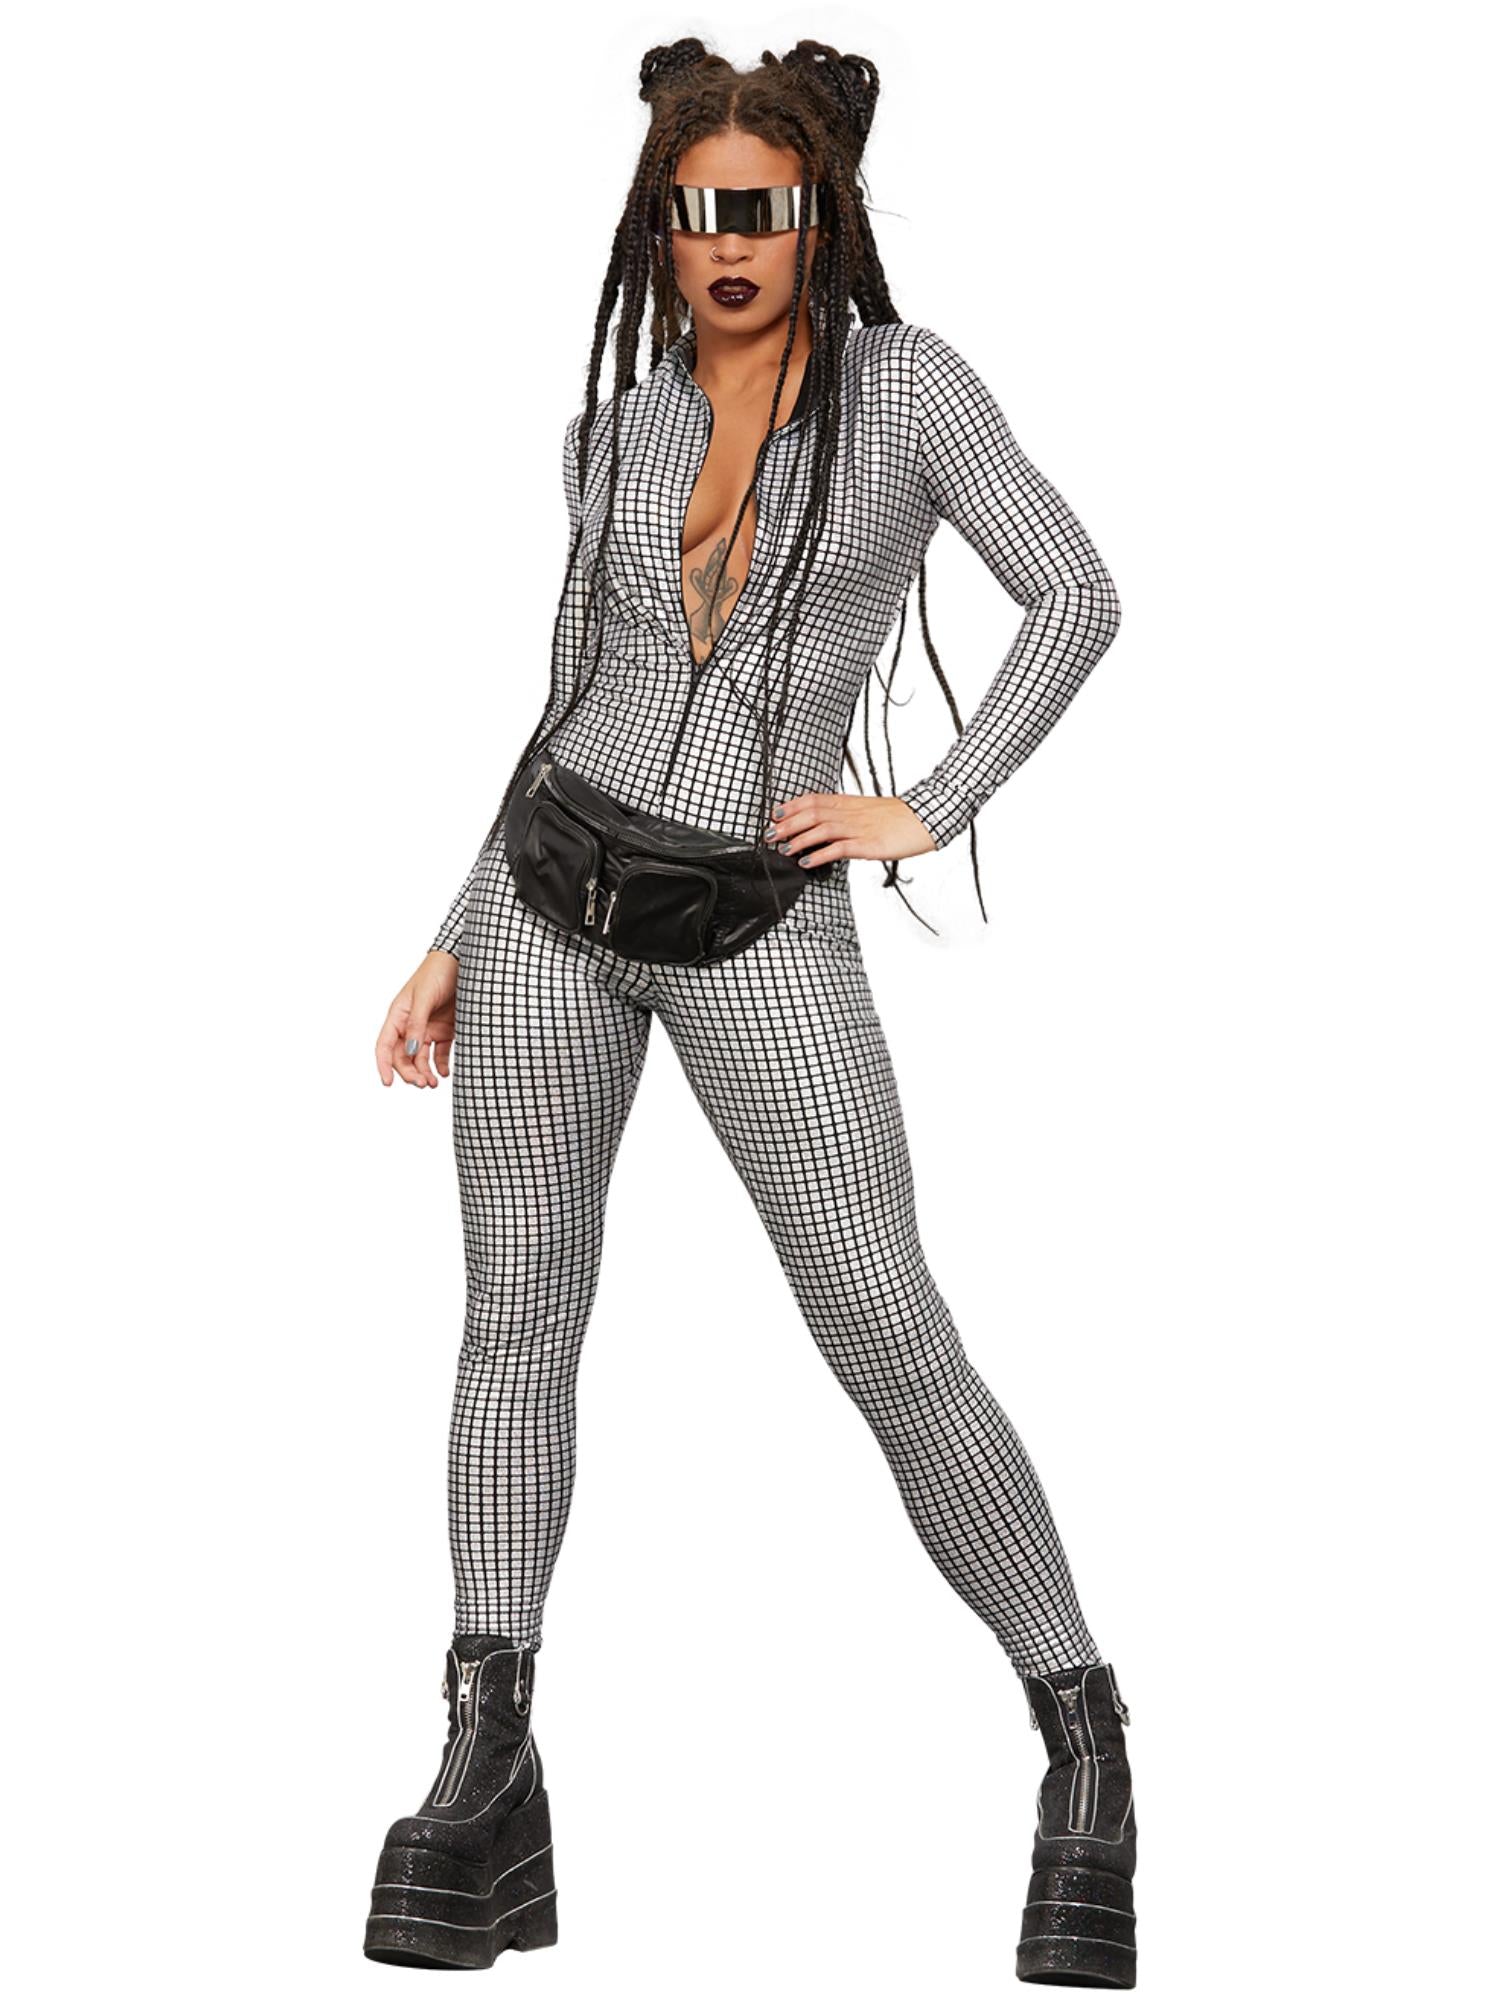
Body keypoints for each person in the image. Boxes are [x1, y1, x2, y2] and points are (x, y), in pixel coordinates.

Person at [364, 37, 1138, 1988]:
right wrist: (453, 926)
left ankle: (1083, 1733)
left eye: (764, 211)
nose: (728, 244)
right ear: (659, 220)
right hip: (546, 899)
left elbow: (1077, 595)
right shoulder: (618, 430)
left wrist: (927, 802)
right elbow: (571, 690)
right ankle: (485, 1745)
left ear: (822, 218)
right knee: (517, 1312)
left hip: (758, 921)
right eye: (697, 210)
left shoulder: (906, 395)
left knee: (884, 1320)